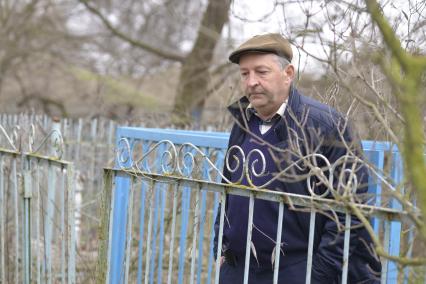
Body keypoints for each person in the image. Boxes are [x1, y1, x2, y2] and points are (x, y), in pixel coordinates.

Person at [214, 33, 381, 283]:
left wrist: (318, 274)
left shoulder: (325, 126)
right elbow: (227, 190)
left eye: (261, 72)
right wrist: (220, 247)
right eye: (244, 74)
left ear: (288, 73)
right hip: (238, 270)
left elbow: (351, 209)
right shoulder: (244, 121)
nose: (251, 82)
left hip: (294, 271)